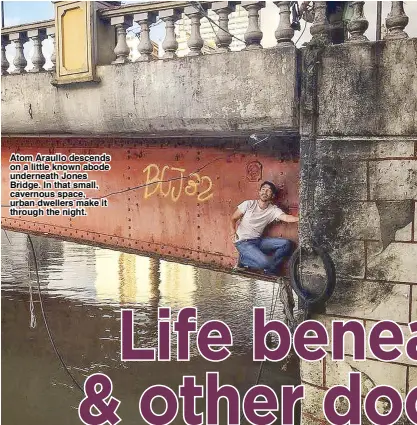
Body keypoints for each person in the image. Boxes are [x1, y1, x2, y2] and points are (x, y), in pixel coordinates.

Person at [230, 181, 299, 276]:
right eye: (263, 189)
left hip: (258, 241)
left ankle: (270, 267)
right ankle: (243, 260)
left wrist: (300, 219)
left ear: (273, 195)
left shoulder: (273, 209)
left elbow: (286, 217)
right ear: (259, 192)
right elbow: (233, 218)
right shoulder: (248, 204)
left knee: (287, 244)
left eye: (268, 190)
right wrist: (233, 232)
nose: (265, 192)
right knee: (265, 263)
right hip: (243, 242)